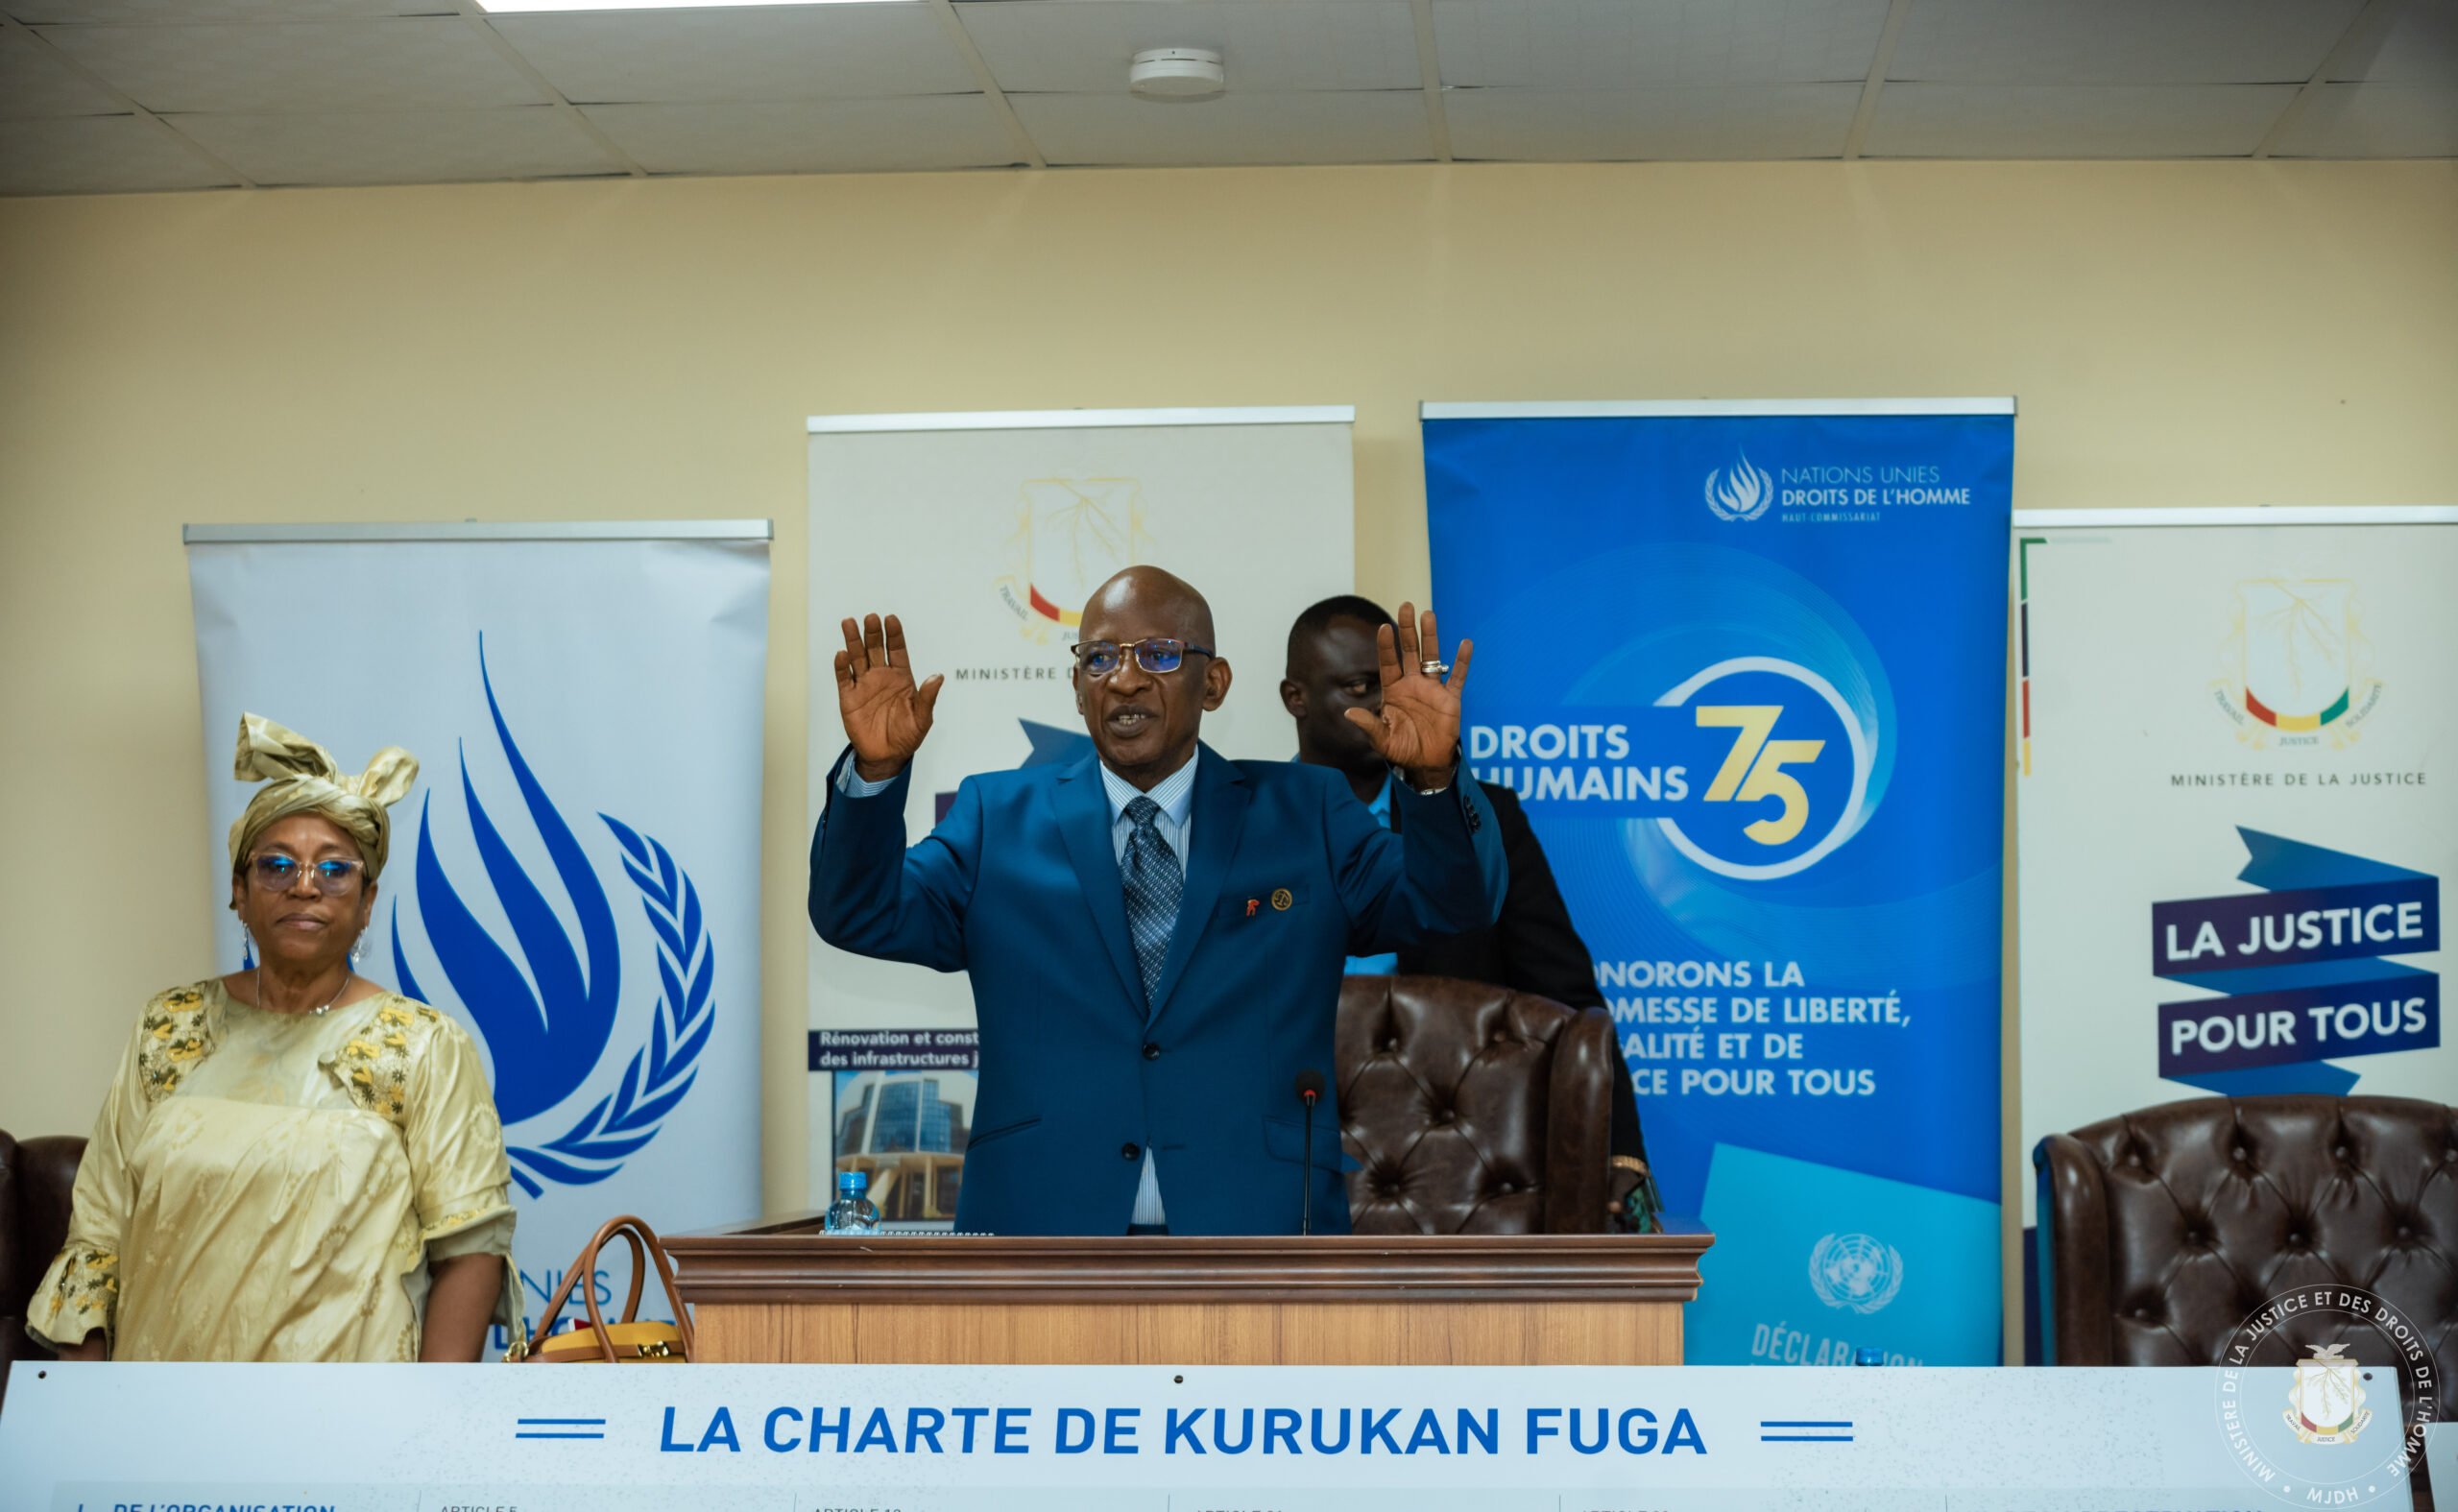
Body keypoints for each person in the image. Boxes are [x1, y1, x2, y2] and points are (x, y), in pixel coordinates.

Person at [808, 566, 1506, 1236]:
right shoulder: (997, 817)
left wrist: (1433, 781)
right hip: (1041, 1232)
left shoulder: (1308, 813)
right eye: (1099, 657)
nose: (1125, 678)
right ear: (1077, 687)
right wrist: (875, 773)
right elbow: (859, 912)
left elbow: (1454, 905)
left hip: (1255, 1231)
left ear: (1215, 682)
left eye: (1160, 654)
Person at [29, 714, 518, 1362]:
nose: (305, 886)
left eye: (335, 870)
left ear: (368, 903)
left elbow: (470, 1251)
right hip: (158, 1408)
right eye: (277, 865)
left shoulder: (425, 1045)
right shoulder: (168, 1026)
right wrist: (94, 1412)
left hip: (353, 1416)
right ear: (239, 892)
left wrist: (425, 1419)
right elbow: (97, 1238)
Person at [1281, 594, 1654, 1206]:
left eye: (1391, 685)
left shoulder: (1485, 821)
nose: (1384, 704)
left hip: (1456, 1153)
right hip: (1289, 1136)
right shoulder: (1249, 824)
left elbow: (1565, 996)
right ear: (1295, 698)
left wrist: (1620, 1148)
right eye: (1359, 687)